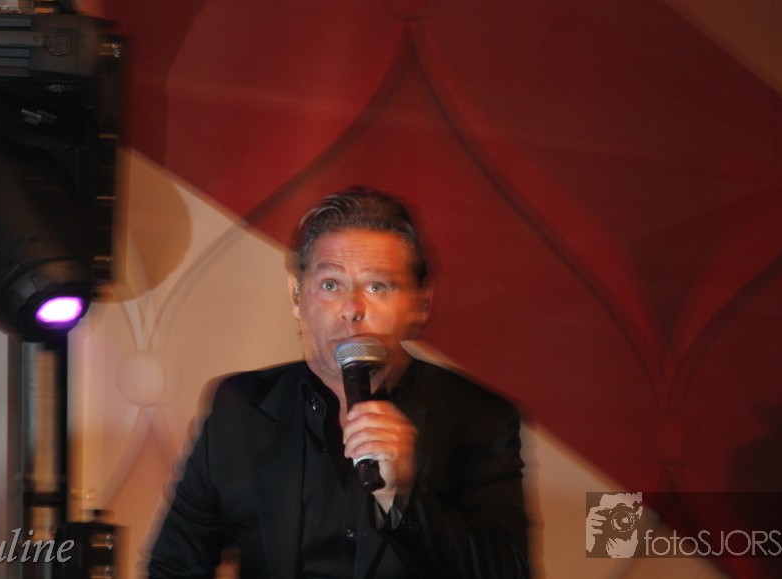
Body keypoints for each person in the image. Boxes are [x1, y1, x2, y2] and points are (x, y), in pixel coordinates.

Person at [147, 187, 530, 578]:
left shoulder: (479, 418)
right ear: (297, 295)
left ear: (421, 302)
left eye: (378, 287)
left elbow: (509, 572)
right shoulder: (238, 408)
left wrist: (403, 497)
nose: (352, 310)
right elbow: (174, 567)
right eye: (331, 284)